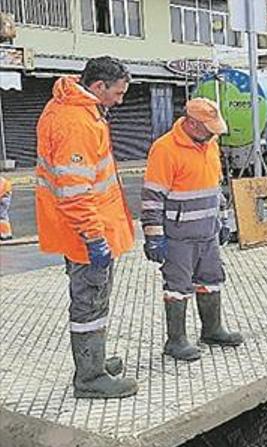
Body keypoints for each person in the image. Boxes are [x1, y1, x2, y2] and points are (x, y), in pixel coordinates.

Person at [35, 56, 138, 399]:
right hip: (86, 235)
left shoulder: (70, 109)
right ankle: (90, 378)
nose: (120, 100)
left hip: (82, 232)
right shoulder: (76, 122)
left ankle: (94, 362)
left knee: (95, 299)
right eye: (118, 93)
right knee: (90, 302)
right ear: (98, 87)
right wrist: (94, 238)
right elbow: (76, 192)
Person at [141, 98, 242, 362]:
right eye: (209, 128)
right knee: (178, 286)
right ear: (193, 123)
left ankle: (212, 330)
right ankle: (176, 341)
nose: (213, 133)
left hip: (207, 232)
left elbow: (215, 188)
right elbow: (152, 197)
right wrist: (154, 237)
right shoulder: (164, 149)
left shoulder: (210, 145)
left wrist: (223, 221)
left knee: (211, 280)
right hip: (178, 236)